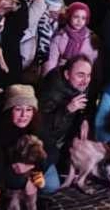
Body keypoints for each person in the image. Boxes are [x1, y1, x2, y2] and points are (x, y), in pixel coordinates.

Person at [0, 85, 47, 210]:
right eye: (18, 109)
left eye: (29, 109)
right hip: (7, 172)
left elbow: (51, 150)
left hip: (29, 168)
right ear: (9, 110)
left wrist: (33, 169)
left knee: (50, 184)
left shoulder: (37, 125)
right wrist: (23, 182)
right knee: (16, 188)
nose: (24, 115)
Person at [38, 56, 93, 192]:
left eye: (88, 75)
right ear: (67, 74)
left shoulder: (80, 84)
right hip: (45, 144)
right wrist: (67, 109)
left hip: (66, 138)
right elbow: (41, 126)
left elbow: (86, 106)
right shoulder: (51, 90)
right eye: (80, 75)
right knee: (50, 185)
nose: (85, 81)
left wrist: (84, 119)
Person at [45, 2, 98, 76]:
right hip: (61, 73)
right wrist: (48, 78)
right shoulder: (60, 36)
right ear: (69, 16)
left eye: (83, 18)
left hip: (82, 75)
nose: (79, 21)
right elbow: (51, 62)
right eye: (76, 17)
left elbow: (93, 63)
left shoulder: (91, 38)